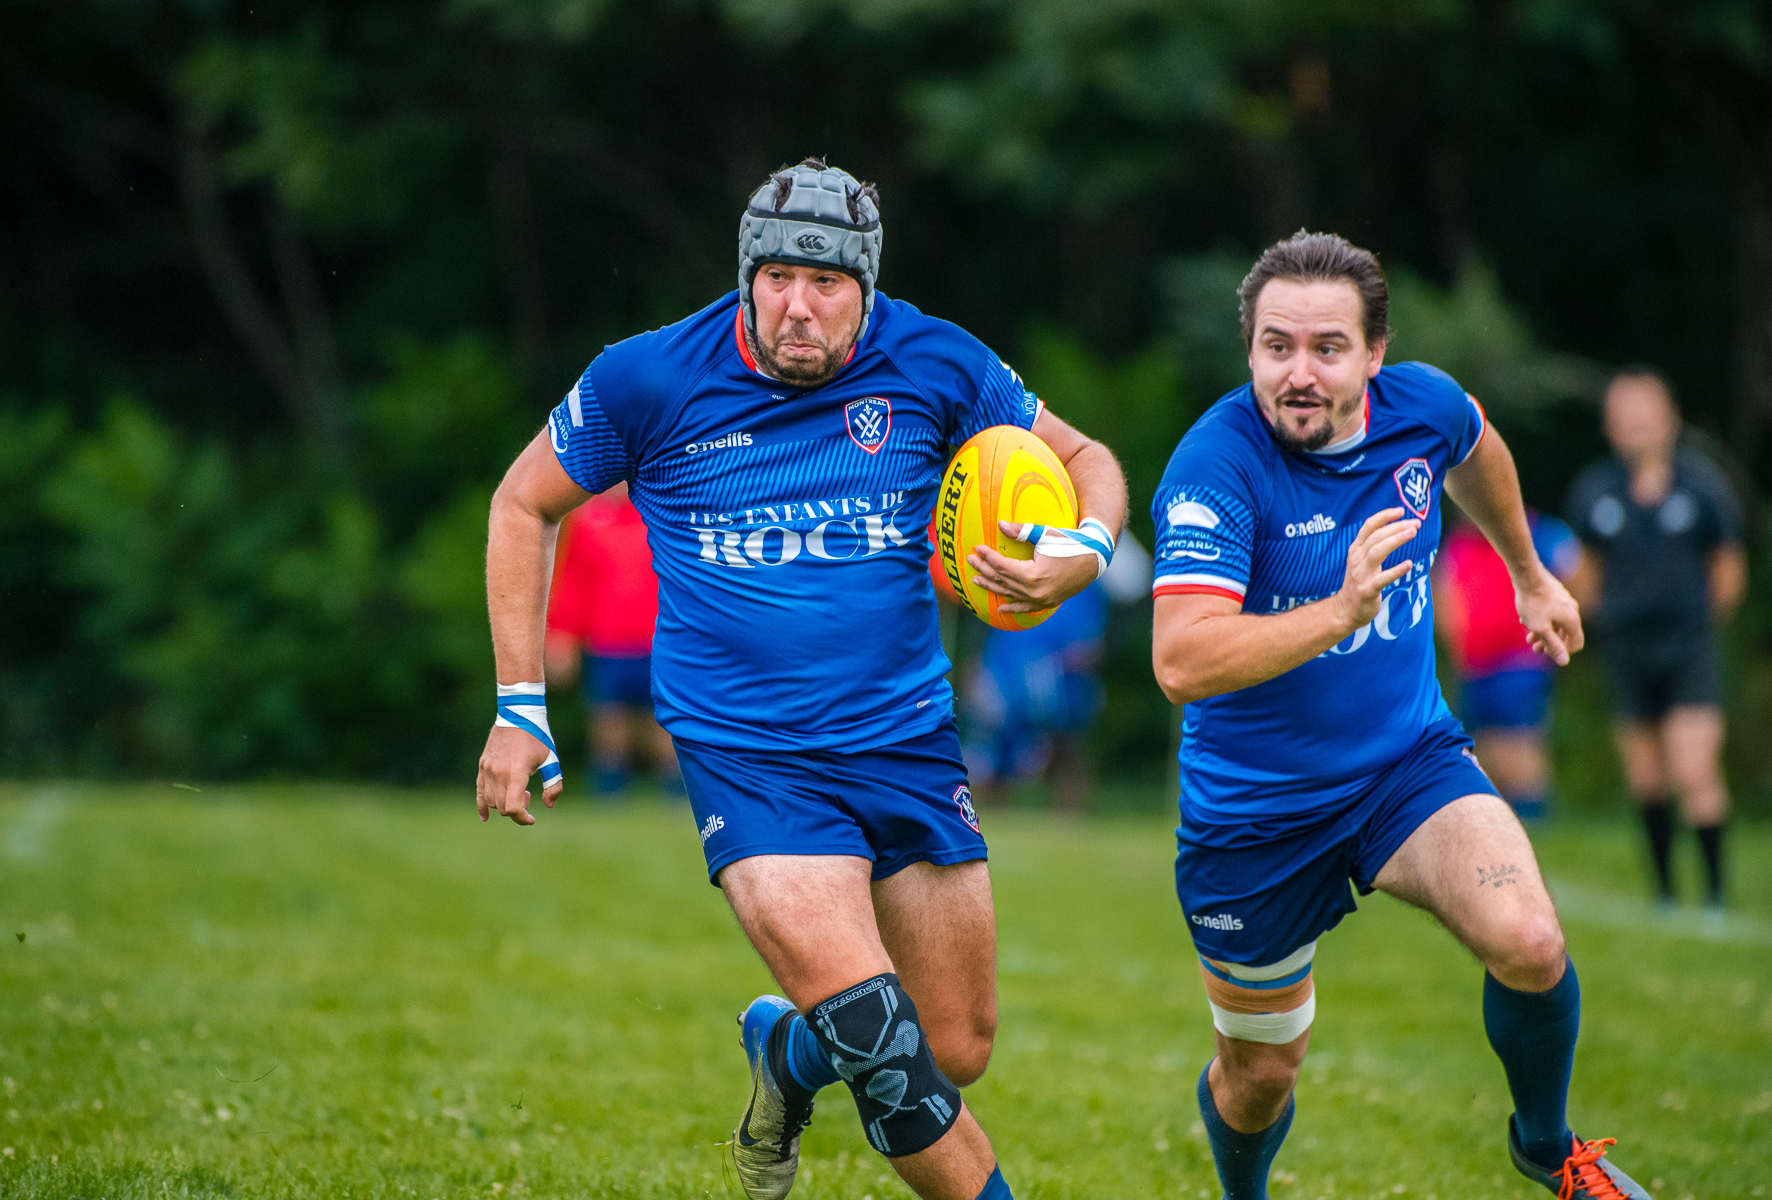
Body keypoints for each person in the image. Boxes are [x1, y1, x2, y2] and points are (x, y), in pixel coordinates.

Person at [475, 159, 1127, 1200]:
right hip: (752, 760)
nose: (798, 306)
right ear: (746, 275)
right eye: (778, 276)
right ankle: (840, 1044)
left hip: (906, 742)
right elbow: (522, 504)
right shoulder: (648, 378)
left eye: (827, 284)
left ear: (866, 289)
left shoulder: (935, 364)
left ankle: (787, 1051)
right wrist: (518, 708)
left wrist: (1084, 547)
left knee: (952, 1046)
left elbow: (1088, 454)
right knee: (886, 1045)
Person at [1150, 231, 1649, 1200]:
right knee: (1260, 1076)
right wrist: (1336, 611)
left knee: (1531, 940)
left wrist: (1528, 574)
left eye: (1327, 347)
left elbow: (1476, 445)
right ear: (1248, 348)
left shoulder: (1419, 404)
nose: (1298, 372)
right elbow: (1181, 659)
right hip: (1254, 820)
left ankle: (1548, 1148)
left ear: (1375, 353)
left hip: (1403, 769)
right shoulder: (1216, 465)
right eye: (1275, 346)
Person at [1566, 370, 1747, 908]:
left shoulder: (1704, 487)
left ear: (1670, 418)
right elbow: (1584, 572)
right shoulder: (1595, 491)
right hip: (1626, 648)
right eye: (1624, 415)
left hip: (1689, 646)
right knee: (1647, 778)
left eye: (1645, 413)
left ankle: (1714, 895)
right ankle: (1665, 893)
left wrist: (1700, 621)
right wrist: (1603, 618)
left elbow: (1728, 568)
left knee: (1694, 769)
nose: (1636, 426)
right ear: (1610, 425)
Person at [963, 531, 1151, 813]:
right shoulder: (1006, 501)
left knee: (1067, 740)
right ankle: (991, 822)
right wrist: (976, 653)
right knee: (995, 736)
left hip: (1066, 657)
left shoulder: (1097, 517)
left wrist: (1106, 645)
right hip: (1008, 647)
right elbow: (983, 582)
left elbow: (1137, 585)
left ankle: (1068, 817)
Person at [1433, 508, 1585, 821]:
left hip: (1520, 660)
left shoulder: (1532, 532)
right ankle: (1503, 822)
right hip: (1474, 664)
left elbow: (1577, 570)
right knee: (1483, 749)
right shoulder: (1458, 544)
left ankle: (1534, 824)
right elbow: (1444, 592)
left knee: (1521, 744)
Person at [544, 482, 681, 798]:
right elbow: (573, 585)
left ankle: (679, 799)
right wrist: (562, 637)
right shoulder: (587, 522)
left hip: (662, 641)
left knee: (666, 723)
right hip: (607, 643)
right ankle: (609, 796)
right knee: (609, 722)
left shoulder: (664, 515)